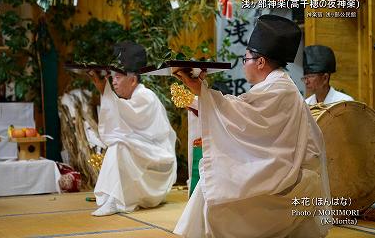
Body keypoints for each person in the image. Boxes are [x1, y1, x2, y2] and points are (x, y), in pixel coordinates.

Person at [173, 15, 331, 237]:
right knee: (217, 176)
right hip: (279, 166)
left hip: (285, 174)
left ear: (260, 62)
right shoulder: (278, 84)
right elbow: (246, 118)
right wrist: (202, 99)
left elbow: (242, 116)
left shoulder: (279, 88)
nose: (244, 64)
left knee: (217, 182)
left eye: (245, 58)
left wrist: (202, 92)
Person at [88, 41, 177, 216]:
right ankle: (113, 197)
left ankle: (115, 199)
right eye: (112, 78)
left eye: (118, 77)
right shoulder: (132, 99)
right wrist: (103, 90)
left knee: (120, 144)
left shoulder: (145, 96)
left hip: (158, 161)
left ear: (133, 79)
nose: (113, 82)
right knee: (120, 143)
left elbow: (122, 122)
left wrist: (104, 90)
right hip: (146, 155)